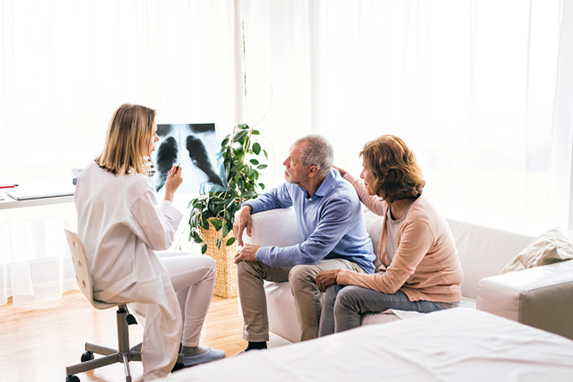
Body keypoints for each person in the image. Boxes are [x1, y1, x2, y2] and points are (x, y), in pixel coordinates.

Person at [74, 104, 224, 381]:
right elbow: (160, 239)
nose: (157, 139)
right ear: (138, 136)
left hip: (100, 267)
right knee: (207, 266)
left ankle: (172, 342)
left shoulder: (91, 170)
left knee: (184, 264)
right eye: (153, 133)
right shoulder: (133, 183)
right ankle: (189, 348)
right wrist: (169, 193)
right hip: (121, 276)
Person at [233, 135, 376, 349]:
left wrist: (260, 252)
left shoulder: (341, 199)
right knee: (247, 264)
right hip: (320, 258)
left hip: (351, 263)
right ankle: (256, 346)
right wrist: (247, 207)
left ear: (312, 170)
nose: (284, 163)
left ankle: (310, 350)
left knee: (301, 272)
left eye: (292, 160)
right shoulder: (297, 184)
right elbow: (274, 197)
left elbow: (310, 253)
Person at [316, 135, 463, 336]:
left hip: (434, 299)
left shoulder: (419, 221)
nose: (362, 173)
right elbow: (371, 201)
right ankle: (322, 357)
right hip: (407, 287)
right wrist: (346, 176)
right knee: (335, 288)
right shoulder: (394, 202)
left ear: (384, 175)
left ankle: (345, 361)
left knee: (348, 296)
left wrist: (341, 274)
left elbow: (390, 283)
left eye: (366, 169)